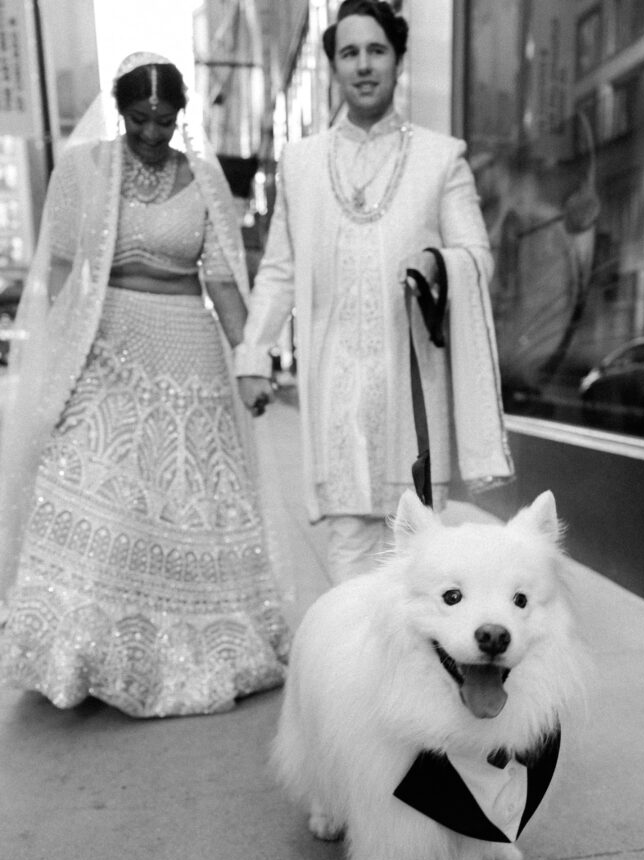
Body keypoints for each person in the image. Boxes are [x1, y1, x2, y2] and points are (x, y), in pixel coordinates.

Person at [0, 53, 290, 717]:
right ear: (120, 110)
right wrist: (60, 361)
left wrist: (251, 362)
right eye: (140, 120)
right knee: (86, 487)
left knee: (183, 497)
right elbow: (66, 272)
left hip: (187, 348)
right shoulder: (84, 169)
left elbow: (223, 280)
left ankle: (186, 649)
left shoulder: (203, 179)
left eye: (165, 121)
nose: (153, 134)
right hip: (106, 344)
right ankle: (79, 651)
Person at [236, 0, 514, 585]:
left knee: (419, 563)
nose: (364, 66)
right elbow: (280, 269)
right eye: (350, 53)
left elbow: (478, 258)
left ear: (399, 60)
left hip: (411, 389)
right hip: (335, 386)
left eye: (377, 51)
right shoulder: (301, 162)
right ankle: (352, 677)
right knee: (349, 558)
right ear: (334, 65)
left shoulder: (442, 158)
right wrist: (254, 354)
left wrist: (440, 265)